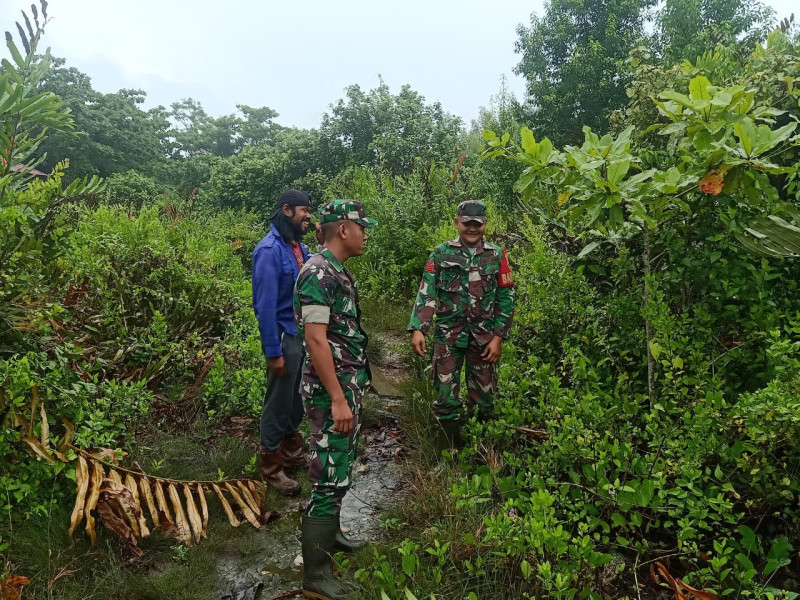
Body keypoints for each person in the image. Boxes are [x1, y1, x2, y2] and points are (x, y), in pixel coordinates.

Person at [294, 200, 377, 600]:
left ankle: (333, 536)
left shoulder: (337, 270)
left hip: (345, 387)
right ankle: (316, 575)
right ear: (343, 229)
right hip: (332, 393)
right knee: (328, 477)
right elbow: (315, 339)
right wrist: (338, 398)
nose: (366, 234)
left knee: (340, 466)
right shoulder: (317, 272)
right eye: (362, 227)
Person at [408, 200, 515, 448]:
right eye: (467, 223)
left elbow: (506, 298)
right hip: (448, 338)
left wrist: (499, 337)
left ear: (485, 225)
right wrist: (418, 329)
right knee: (446, 398)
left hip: (484, 339)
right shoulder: (441, 253)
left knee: (484, 399)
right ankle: (449, 454)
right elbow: (427, 292)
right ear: (457, 223)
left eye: (477, 224)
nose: (472, 229)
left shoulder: (496, 255)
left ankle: (481, 454)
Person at [252, 189, 313, 496]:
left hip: (299, 332)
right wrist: (273, 352)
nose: (308, 217)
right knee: (278, 401)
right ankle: (272, 466)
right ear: (287, 210)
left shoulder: (298, 247)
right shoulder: (269, 250)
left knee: (296, 398)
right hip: (282, 333)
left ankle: (291, 451)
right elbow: (263, 307)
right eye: (304, 211)